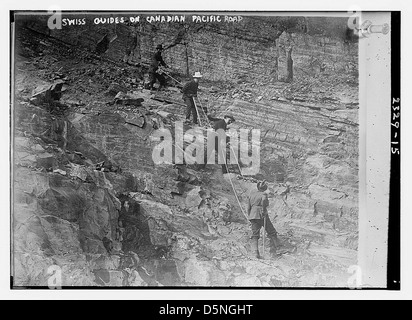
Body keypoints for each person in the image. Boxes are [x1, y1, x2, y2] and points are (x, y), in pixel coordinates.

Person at [246, 180, 280, 259]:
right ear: (265, 188)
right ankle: (278, 248)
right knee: (272, 231)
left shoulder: (251, 195)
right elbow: (264, 200)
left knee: (255, 235)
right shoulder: (264, 194)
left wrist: (250, 216)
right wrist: (264, 210)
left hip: (253, 215)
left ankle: (255, 253)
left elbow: (248, 208)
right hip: (262, 214)